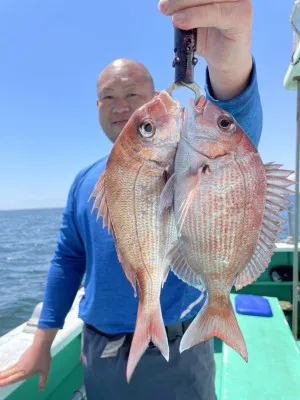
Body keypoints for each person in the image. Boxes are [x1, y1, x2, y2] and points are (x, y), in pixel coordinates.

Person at [0, 1, 262, 399]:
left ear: (158, 97)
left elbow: (231, 140)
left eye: (133, 94)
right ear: (97, 107)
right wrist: (41, 342)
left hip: (180, 350)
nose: (121, 105)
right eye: (108, 97)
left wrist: (230, 67)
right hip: (99, 351)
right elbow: (67, 261)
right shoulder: (83, 182)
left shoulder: (186, 158)